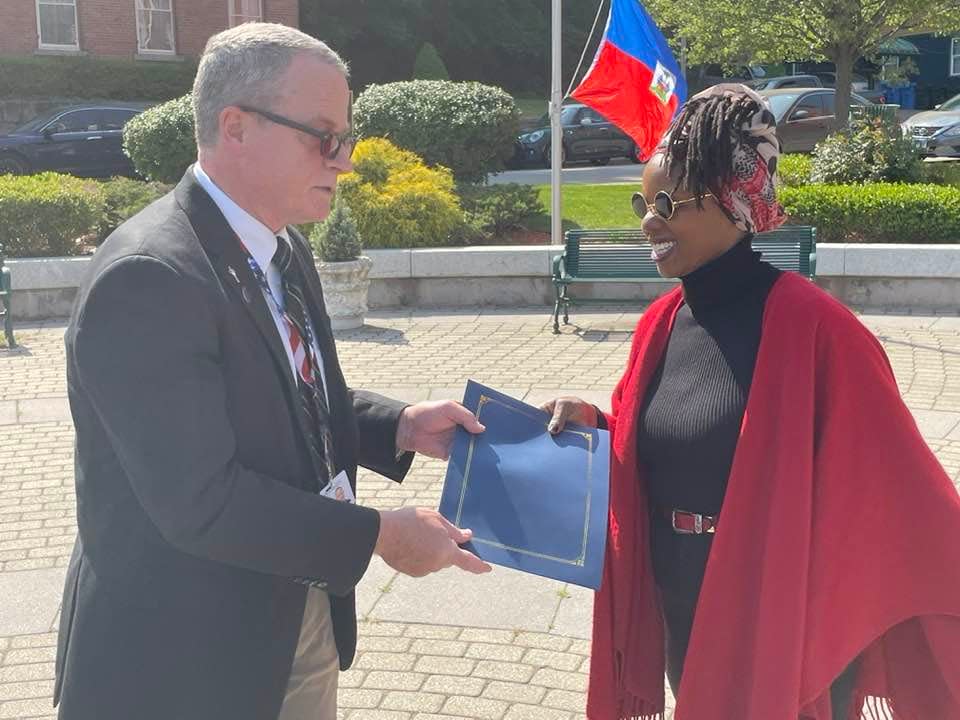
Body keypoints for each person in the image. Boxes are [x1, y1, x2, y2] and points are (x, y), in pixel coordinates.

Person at [55, 23, 490, 720]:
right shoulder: (150, 276)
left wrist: (398, 426)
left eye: (347, 136)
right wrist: (380, 534)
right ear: (236, 127)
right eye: (323, 136)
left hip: (296, 616)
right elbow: (202, 501)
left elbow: (293, 398)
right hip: (183, 663)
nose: (344, 160)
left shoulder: (283, 246)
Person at [543, 84, 960, 720]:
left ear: (733, 203)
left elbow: (901, 488)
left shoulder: (815, 327)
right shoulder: (660, 321)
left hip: (780, 605)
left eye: (666, 202)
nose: (648, 221)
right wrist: (596, 426)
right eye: (641, 202)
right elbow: (654, 442)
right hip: (680, 590)